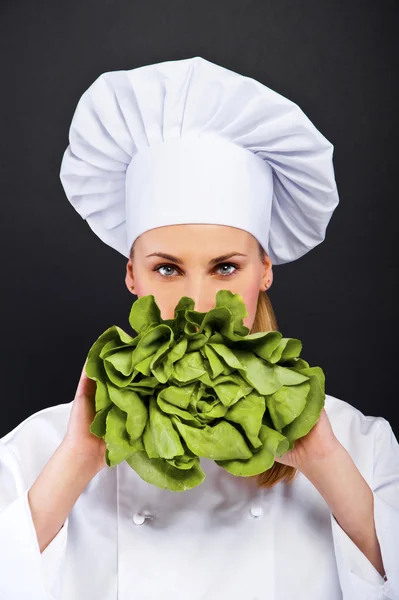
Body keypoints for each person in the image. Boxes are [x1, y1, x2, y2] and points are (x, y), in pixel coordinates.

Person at [1, 56, 398, 600]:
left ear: (265, 272)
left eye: (226, 267)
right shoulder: (37, 451)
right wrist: (75, 462)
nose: (198, 304)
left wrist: (327, 466)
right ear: (132, 278)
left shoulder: (361, 444)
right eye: (167, 268)